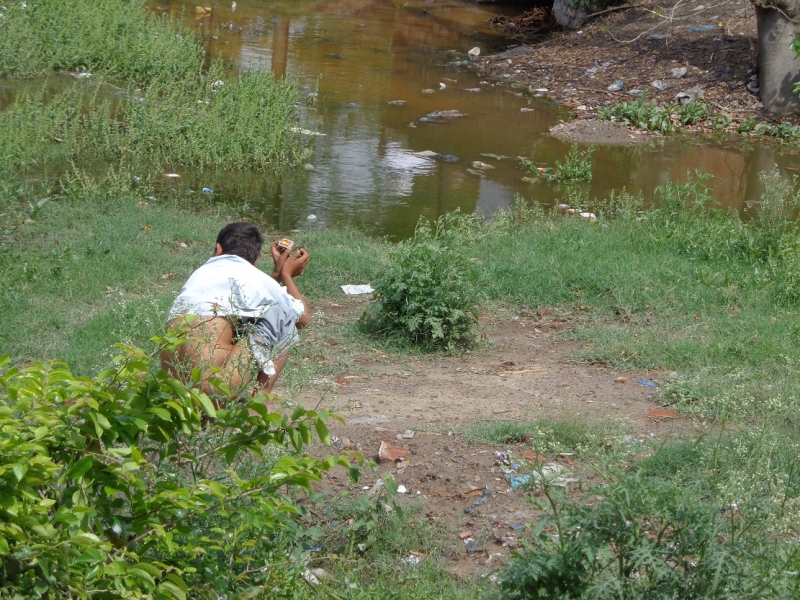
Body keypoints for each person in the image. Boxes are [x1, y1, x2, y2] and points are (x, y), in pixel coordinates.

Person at [161, 222, 310, 405]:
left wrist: (276, 274)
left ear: (217, 249)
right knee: (282, 314)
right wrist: (286, 275)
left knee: (249, 317)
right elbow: (302, 318)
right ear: (255, 261)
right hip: (216, 391)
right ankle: (257, 407)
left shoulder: (201, 274)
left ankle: (205, 414)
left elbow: (246, 296)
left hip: (172, 393)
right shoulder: (255, 277)